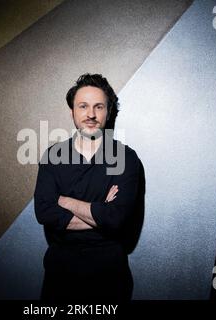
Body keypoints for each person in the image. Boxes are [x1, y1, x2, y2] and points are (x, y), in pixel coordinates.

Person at [34, 73, 141, 301]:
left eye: (98, 107)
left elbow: (116, 219)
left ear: (108, 112)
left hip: (109, 276)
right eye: (83, 106)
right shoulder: (53, 156)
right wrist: (101, 210)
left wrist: (64, 201)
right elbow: (44, 212)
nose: (91, 114)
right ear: (72, 111)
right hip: (60, 274)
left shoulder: (125, 158)